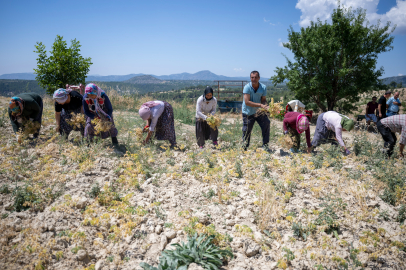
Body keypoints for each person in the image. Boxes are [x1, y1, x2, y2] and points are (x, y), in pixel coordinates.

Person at [242, 71, 270, 151]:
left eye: (255, 77)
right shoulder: (247, 87)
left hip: (259, 112)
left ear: (259, 78)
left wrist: (266, 106)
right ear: (250, 78)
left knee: (266, 123)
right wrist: (261, 105)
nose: (253, 79)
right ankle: (244, 148)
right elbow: (247, 102)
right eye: (252, 77)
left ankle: (265, 145)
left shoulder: (263, 87)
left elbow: (263, 100)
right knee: (247, 130)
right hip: (248, 112)